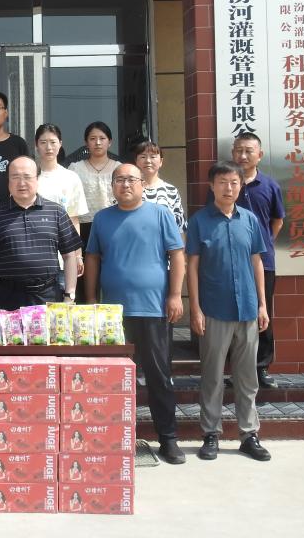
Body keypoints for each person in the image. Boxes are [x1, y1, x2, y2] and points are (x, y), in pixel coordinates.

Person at [83, 163, 187, 465]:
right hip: (112, 314)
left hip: (154, 309)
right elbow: (93, 258)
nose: (125, 185)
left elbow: (176, 254)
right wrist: (91, 300)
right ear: (112, 186)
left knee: (159, 376)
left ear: (142, 184)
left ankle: (168, 438)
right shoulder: (102, 218)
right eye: (119, 180)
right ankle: (110, 438)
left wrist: (175, 295)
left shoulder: (161, 214)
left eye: (131, 179)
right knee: (111, 379)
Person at [188, 161, 271, 463]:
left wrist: (262, 304)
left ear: (241, 186)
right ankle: (211, 433)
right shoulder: (199, 221)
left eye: (234, 182)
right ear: (212, 186)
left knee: (247, 378)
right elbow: (192, 267)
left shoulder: (249, 219)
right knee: (212, 376)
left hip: (247, 309)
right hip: (214, 310)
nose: (229, 188)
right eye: (222, 182)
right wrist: (195, 308)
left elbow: (257, 262)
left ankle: (249, 435)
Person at [0, 156, 82, 310]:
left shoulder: (56, 212)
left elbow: (69, 256)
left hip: (48, 296)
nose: (21, 183)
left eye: (27, 177)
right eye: (15, 177)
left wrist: (69, 296)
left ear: (37, 179)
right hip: (8, 297)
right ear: (8, 181)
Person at [230, 132, 286, 389]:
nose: (242, 156)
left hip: (263, 262)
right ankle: (236, 369)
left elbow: (278, 221)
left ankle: (261, 367)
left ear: (259, 155)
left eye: (248, 151)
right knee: (232, 316)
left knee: (262, 313)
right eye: (238, 150)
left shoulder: (270, 186)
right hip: (230, 261)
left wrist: (263, 245)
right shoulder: (226, 183)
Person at [35, 123, 89, 292]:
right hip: (34, 254)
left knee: (63, 302)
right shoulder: (29, 177)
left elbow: (74, 219)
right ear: (36, 145)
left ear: (60, 144)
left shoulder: (71, 177)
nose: (48, 147)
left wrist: (78, 255)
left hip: (64, 256)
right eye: (43, 142)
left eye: (53, 142)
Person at [69, 122, 122, 247]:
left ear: (110, 142)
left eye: (102, 138)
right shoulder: (75, 169)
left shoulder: (119, 168)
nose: (98, 142)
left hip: (114, 224)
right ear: (86, 143)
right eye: (92, 139)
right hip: (83, 226)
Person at [133, 139, 187, 232]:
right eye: (143, 157)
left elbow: (180, 226)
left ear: (161, 161)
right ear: (136, 161)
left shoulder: (171, 190)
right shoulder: (130, 188)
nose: (148, 161)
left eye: (153, 157)